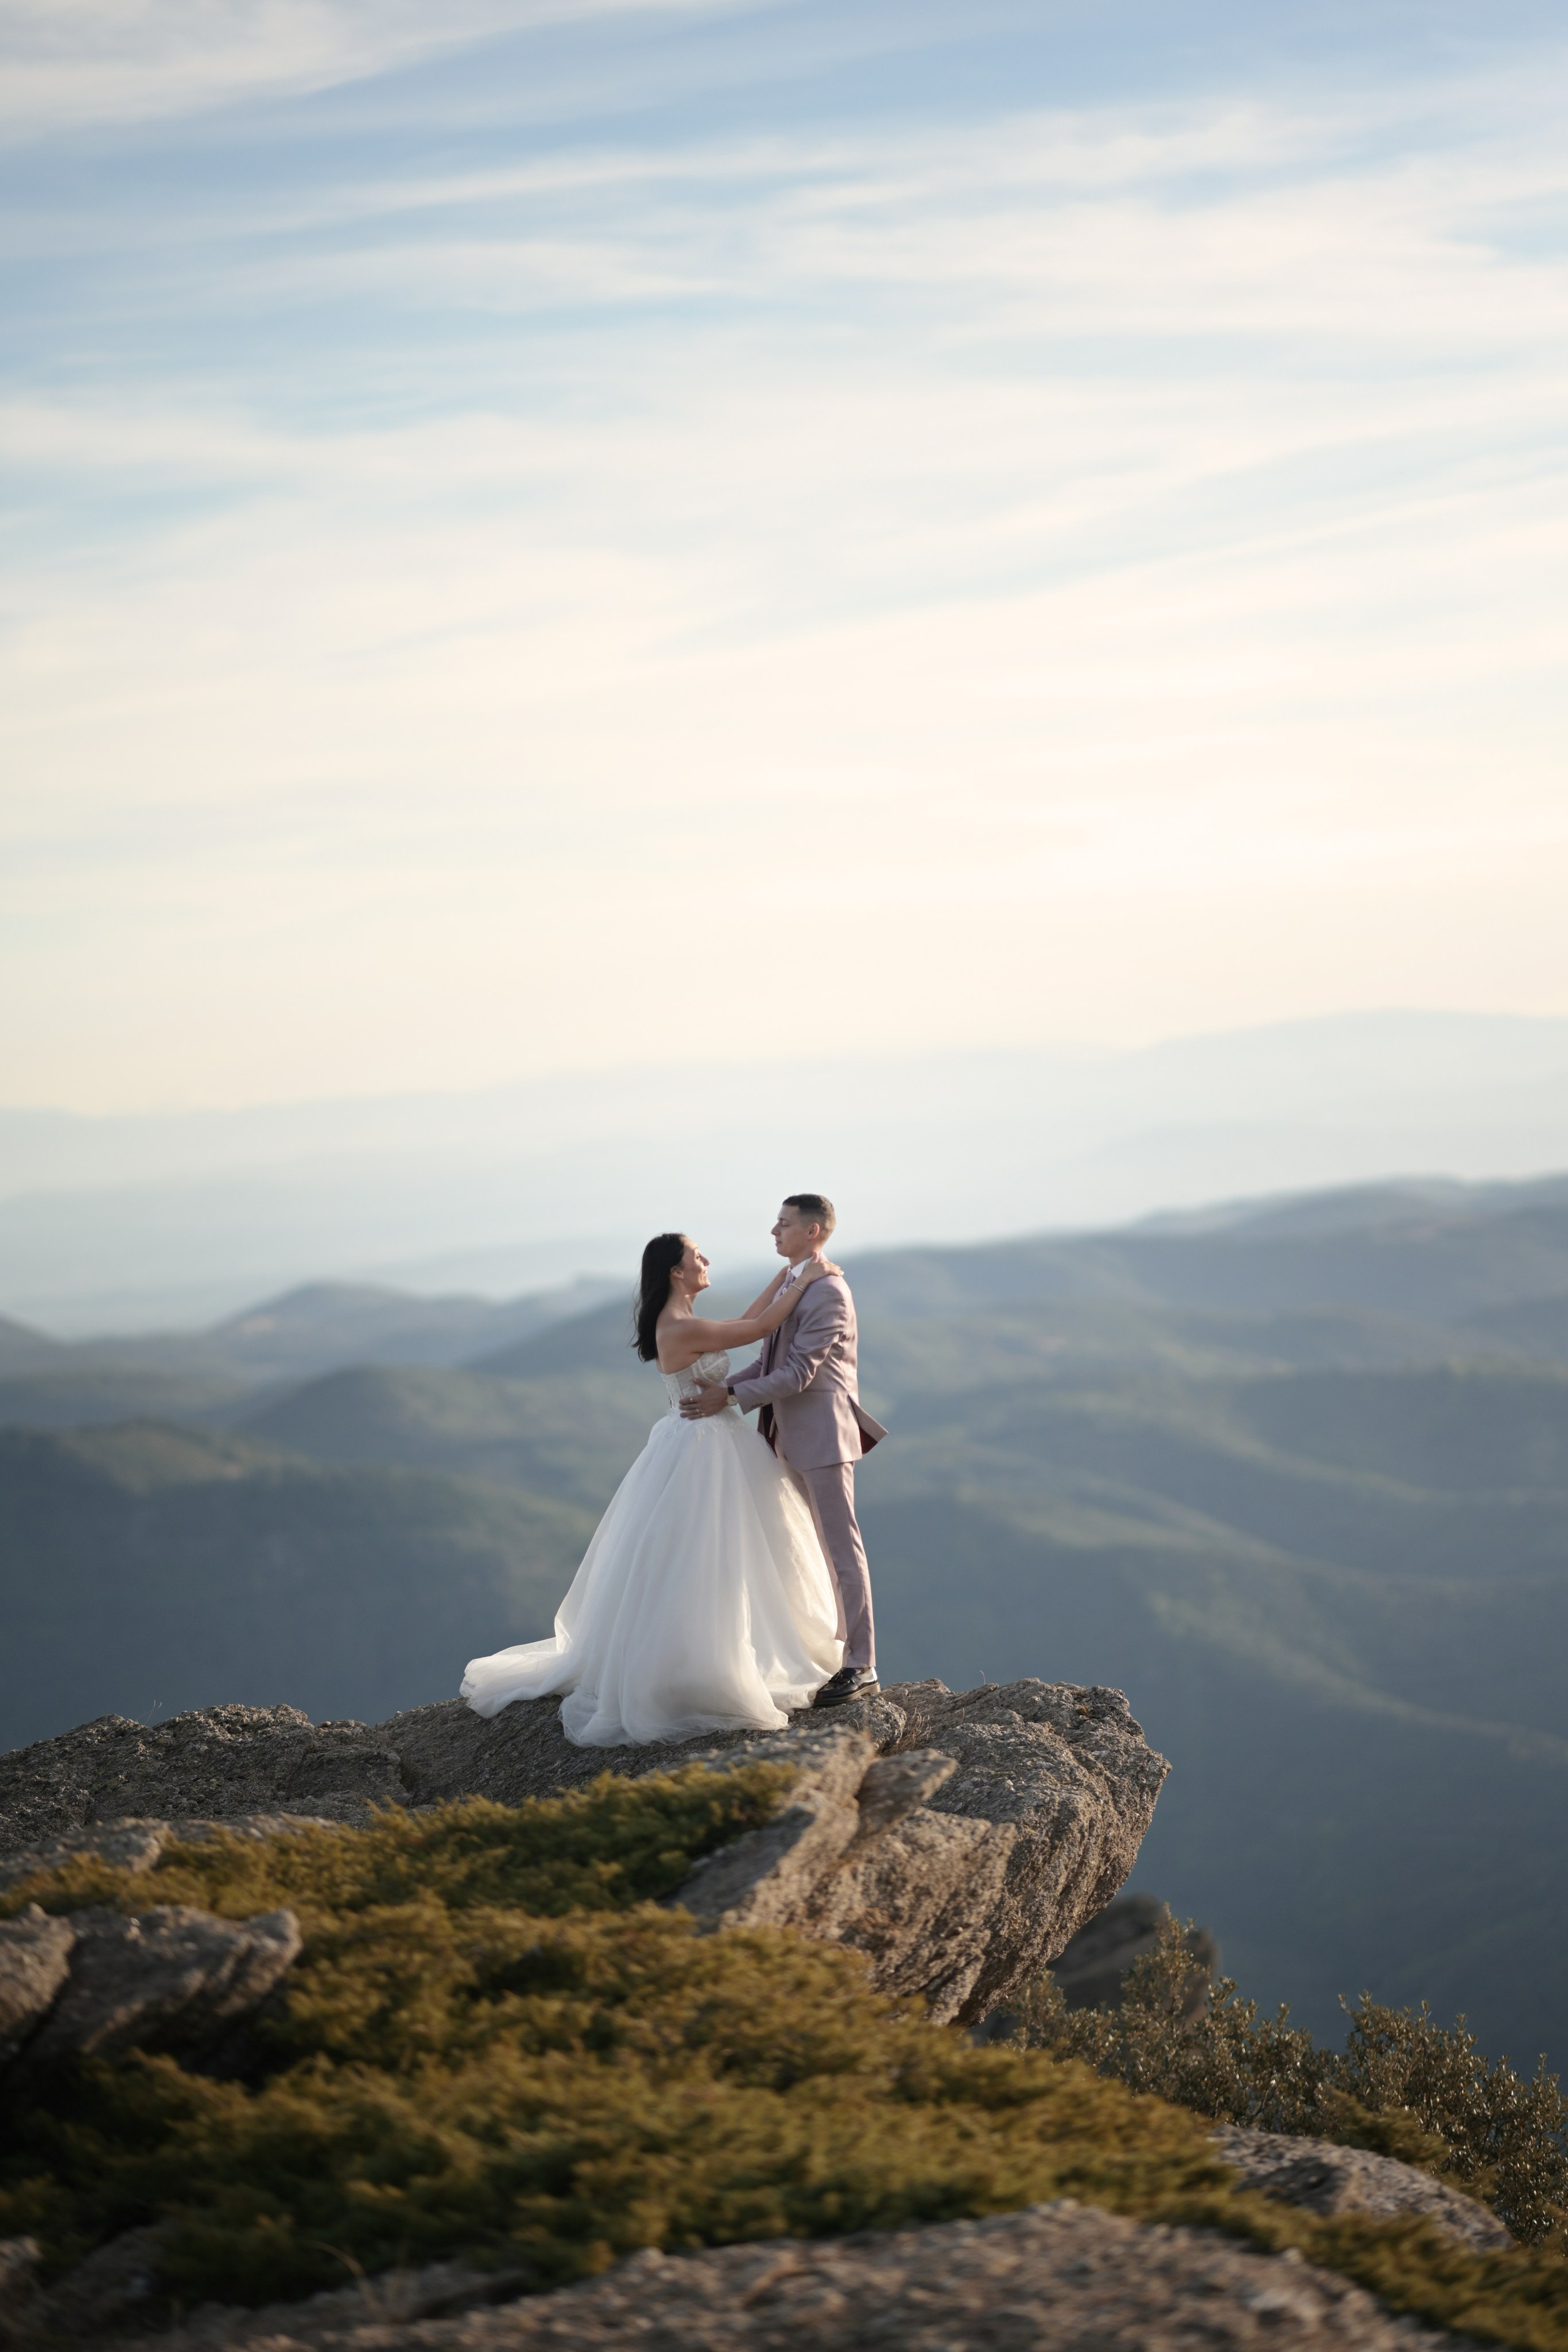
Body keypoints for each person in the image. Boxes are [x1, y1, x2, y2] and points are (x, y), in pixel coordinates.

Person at [460, 1231, 845, 1745]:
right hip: (702, 1449)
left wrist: (786, 1275)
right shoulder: (678, 1327)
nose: (706, 1261)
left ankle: (732, 1648)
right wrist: (808, 1280)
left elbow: (742, 1323)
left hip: (711, 1439)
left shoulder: (684, 1321)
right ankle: (698, 1662)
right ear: (675, 1272)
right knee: (703, 1554)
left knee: (734, 1550)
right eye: (696, 1256)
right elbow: (758, 1328)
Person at [681, 1193, 886, 1707]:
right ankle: (825, 1651)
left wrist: (728, 1395)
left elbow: (797, 1375)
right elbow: (768, 1361)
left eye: (784, 1224)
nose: (774, 1231)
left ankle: (862, 1665)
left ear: (812, 1232)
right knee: (807, 1547)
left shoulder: (829, 1292)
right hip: (784, 1436)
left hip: (822, 1436)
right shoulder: (798, 1282)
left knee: (842, 1550)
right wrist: (724, 1397)